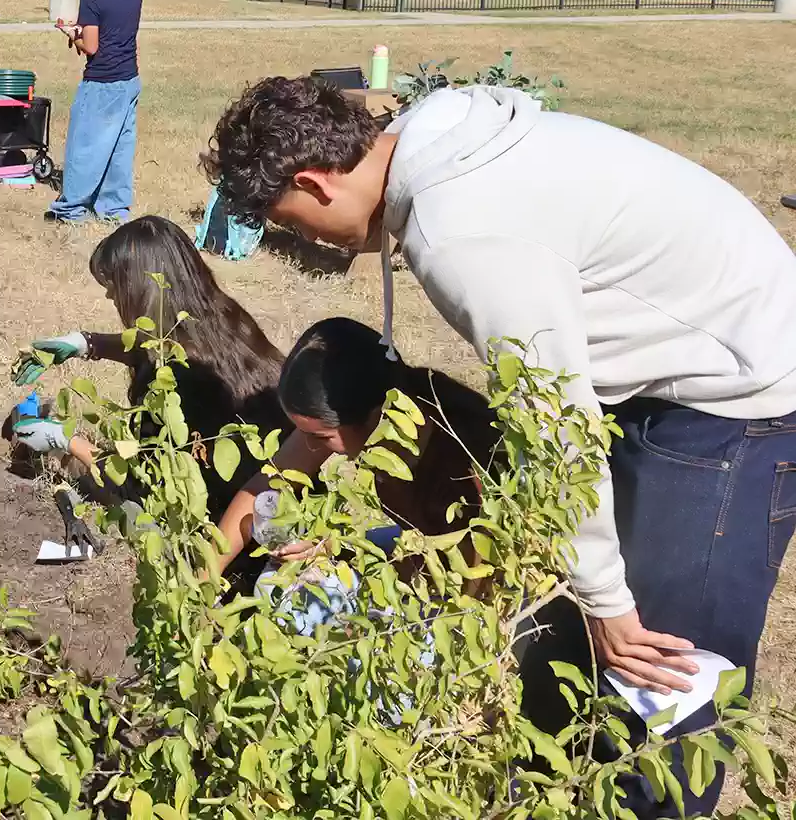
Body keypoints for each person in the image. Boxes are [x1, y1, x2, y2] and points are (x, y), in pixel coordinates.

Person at [203, 75, 796, 814]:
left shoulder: (460, 231)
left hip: (735, 396)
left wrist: (607, 600)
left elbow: (552, 417)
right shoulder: (433, 145)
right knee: (592, 641)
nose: (308, 242)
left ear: (314, 182)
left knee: (663, 671)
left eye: (291, 222)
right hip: (673, 375)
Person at [8, 215, 286, 518]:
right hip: (280, 492)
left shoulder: (175, 378)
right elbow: (156, 346)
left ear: (139, 289)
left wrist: (66, 441)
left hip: (233, 519)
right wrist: (86, 343)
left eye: (114, 285)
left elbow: (146, 482)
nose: (109, 295)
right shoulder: (223, 318)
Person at [211, 316, 499, 575]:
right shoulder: (368, 411)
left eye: (321, 437)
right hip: (413, 544)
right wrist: (203, 581)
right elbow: (265, 486)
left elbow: (468, 578)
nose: (310, 447)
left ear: (376, 417)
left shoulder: (459, 465)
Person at [46, 0, 143, 225]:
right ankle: (114, 208)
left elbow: (91, 46)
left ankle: (72, 208)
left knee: (84, 145)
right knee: (119, 148)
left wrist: (72, 33)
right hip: (130, 80)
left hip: (101, 82)